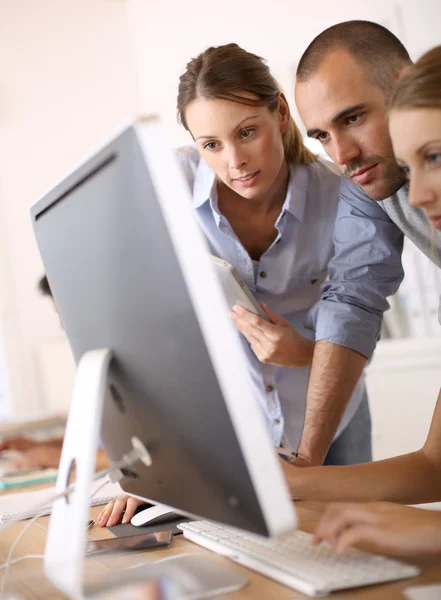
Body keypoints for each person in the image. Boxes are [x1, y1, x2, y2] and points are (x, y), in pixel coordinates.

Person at [96, 42, 373, 527]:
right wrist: (139, 462)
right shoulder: (169, 186)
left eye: (247, 132)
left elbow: (362, 318)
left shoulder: (342, 195)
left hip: (329, 412)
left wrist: (305, 352)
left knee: (357, 554)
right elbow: (137, 328)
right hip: (233, 427)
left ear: (281, 114)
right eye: (212, 145)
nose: (235, 161)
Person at [285, 28, 441, 556]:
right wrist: (297, 474)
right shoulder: (368, 183)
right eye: (322, 135)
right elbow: (351, 296)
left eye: (352, 118)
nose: (342, 155)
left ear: (404, 87)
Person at [0, 275, 109, 471]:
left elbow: (145, 455)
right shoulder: (94, 361)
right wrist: (43, 446)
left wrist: (60, 457)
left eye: (62, 314)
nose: (60, 325)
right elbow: (98, 441)